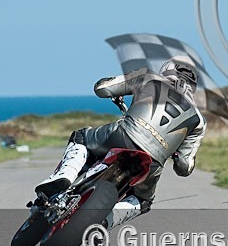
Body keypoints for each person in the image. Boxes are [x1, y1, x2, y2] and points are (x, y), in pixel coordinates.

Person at [34, 55, 206, 229]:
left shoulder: (149, 77)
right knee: (143, 201)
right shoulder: (199, 120)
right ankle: (104, 223)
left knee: (80, 137)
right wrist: (176, 156)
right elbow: (185, 167)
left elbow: (102, 88)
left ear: (167, 69)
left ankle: (65, 176)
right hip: (153, 163)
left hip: (122, 136)